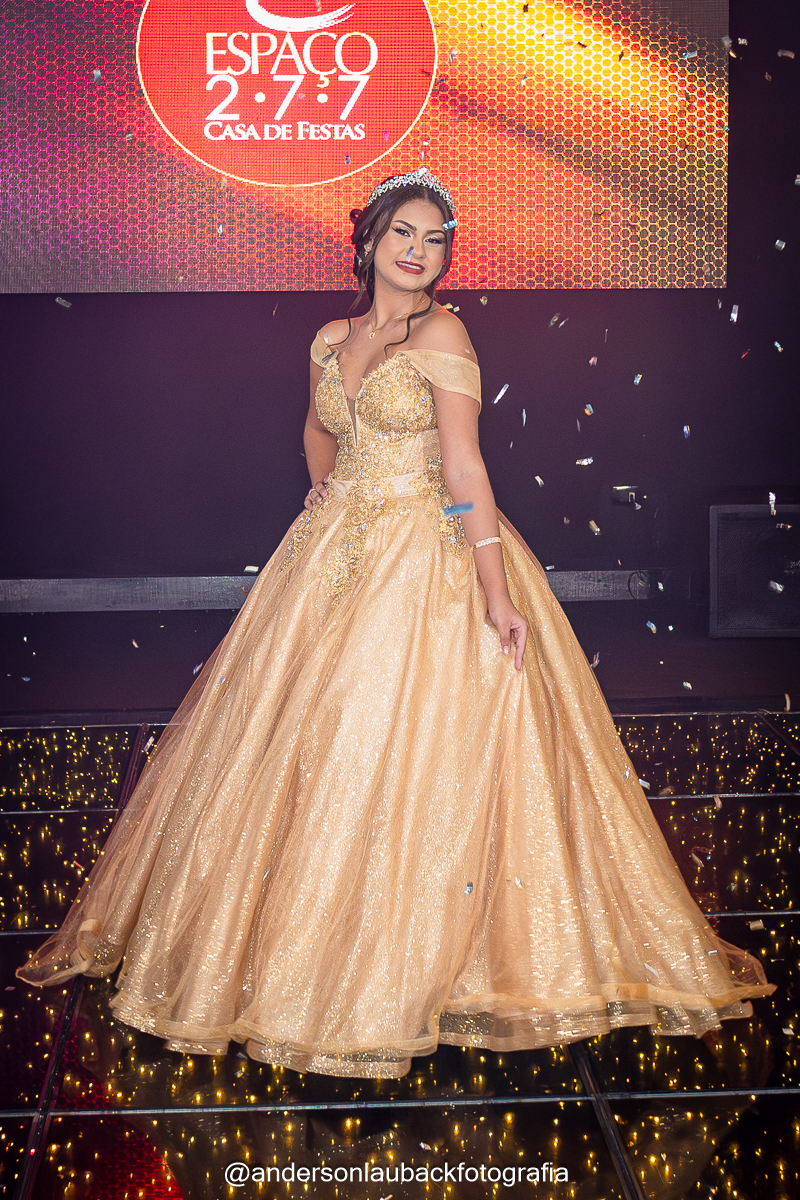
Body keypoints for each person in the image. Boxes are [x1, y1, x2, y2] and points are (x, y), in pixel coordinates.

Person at [18, 168, 774, 1079]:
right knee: (298, 742)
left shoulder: (444, 333)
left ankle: (399, 966)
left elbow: (464, 469)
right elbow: (317, 427)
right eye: (404, 235)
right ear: (370, 243)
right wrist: (325, 490)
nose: (419, 252)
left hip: (424, 552)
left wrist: (495, 590)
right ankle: (293, 953)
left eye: (435, 240)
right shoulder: (330, 338)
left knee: (385, 739)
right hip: (332, 550)